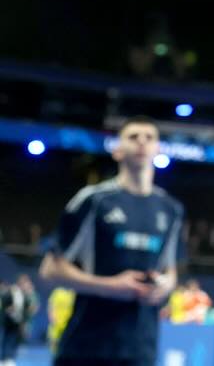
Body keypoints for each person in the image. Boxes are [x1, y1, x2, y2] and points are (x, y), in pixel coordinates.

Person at [40, 115, 184, 366]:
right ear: (118, 150)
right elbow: (50, 271)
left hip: (140, 350)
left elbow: (170, 272)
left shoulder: (171, 209)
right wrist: (110, 286)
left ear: (158, 149)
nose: (141, 142)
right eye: (133, 137)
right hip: (86, 348)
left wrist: (162, 286)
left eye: (149, 137)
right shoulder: (93, 200)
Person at [1, 274, 40, 366]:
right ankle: (4, 359)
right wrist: (9, 309)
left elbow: (29, 308)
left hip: (18, 321)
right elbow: (4, 304)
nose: (26, 284)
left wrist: (24, 321)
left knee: (15, 340)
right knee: (7, 339)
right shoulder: (11, 292)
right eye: (24, 282)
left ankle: (10, 358)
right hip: (9, 321)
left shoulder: (25, 294)